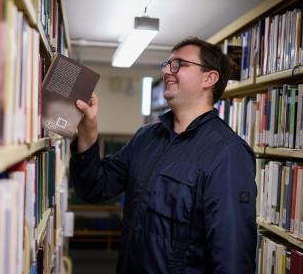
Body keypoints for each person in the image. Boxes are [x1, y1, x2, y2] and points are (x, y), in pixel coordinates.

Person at [70, 37, 257, 273]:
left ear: (209, 78)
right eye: (167, 64)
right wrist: (87, 134)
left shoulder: (228, 154)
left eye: (179, 64)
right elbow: (94, 188)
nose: (168, 71)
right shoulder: (146, 138)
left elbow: (232, 260)